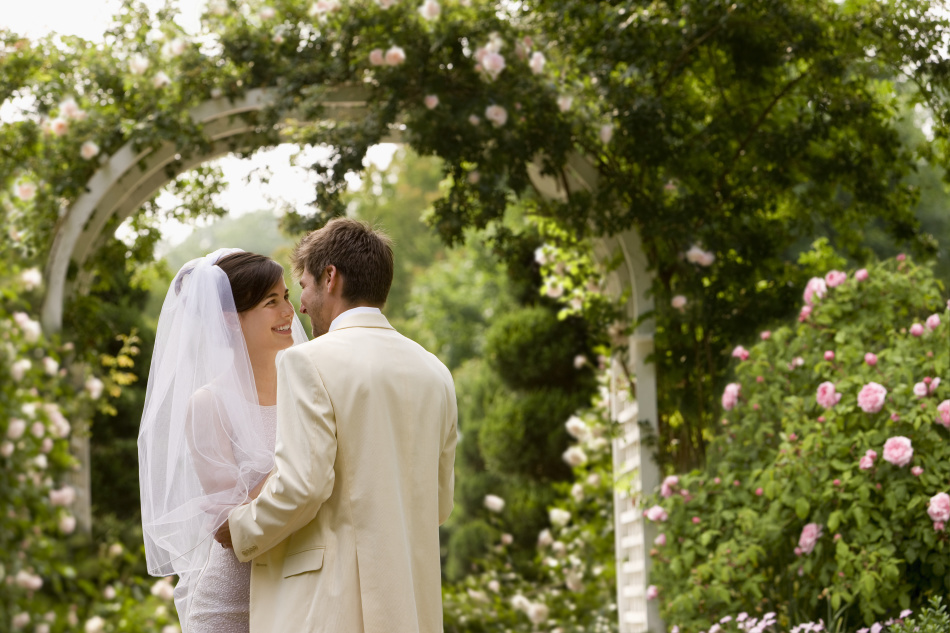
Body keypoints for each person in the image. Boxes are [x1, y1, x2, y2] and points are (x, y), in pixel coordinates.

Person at [217, 218, 458, 633]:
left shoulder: (305, 361)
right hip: (412, 611)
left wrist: (238, 528)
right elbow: (439, 504)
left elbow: (303, 487)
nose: (302, 307)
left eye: (305, 286)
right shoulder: (435, 372)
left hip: (328, 609)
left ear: (331, 278)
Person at [138, 249, 309, 633]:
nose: (288, 311)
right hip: (233, 605)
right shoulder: (209, 405)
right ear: (231, 320)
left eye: (286, 297)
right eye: (271, 302)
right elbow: (225, 526)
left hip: (303, 593)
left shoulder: (311, 390)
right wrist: (297, 459)